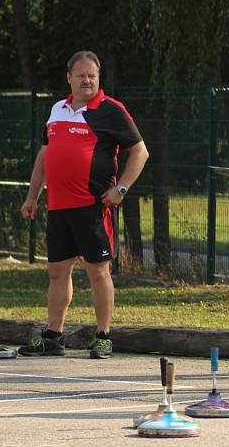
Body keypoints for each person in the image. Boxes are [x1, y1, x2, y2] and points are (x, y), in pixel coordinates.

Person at [18, 50, 149, 359]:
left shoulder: (110, 110)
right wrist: (32, 195)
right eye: (81, 75)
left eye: (92, 75)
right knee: (56, 271)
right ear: (69, 78)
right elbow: (44, 156)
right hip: (59, 207)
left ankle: (103, 336)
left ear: (98, 78)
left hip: (92, 207)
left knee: (97, 271)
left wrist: (121, 189)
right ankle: (53, 335)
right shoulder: (56, 110)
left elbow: (140, 152)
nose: (87, 80)